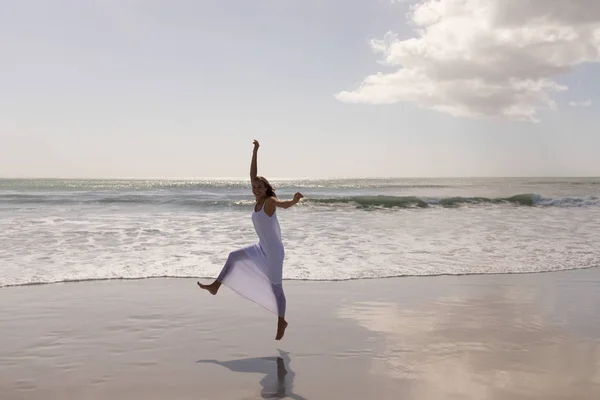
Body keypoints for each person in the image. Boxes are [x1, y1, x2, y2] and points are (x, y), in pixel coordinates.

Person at [197, 140, 303, 340]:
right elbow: (252, 174)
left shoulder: (270, 202)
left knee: (276, 288)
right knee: (233, 256)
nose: (255, 188)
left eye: (259, 187)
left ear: (266, 188)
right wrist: (255, 151)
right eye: (253, 186)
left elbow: (284, 204)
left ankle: (282, 321)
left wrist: (294, 201)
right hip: (261, 248)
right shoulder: (257, 201)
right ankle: (215, 286)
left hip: (274, 253)